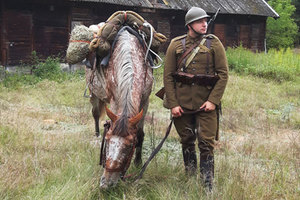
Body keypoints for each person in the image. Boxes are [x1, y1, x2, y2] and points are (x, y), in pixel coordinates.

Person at [163, 7, 228, 190]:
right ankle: (190, 177)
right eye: (200, 21)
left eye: (205, 21)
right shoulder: (175, 45)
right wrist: (173, 104)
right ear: (189, 24)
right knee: (187, 140)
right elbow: (168, 77)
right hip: (182, 105)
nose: (204, 24)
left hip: (206, 103)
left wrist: (213, 101)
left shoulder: (214, 44)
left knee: (206, 143)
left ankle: (208, 184)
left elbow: (223, 75)